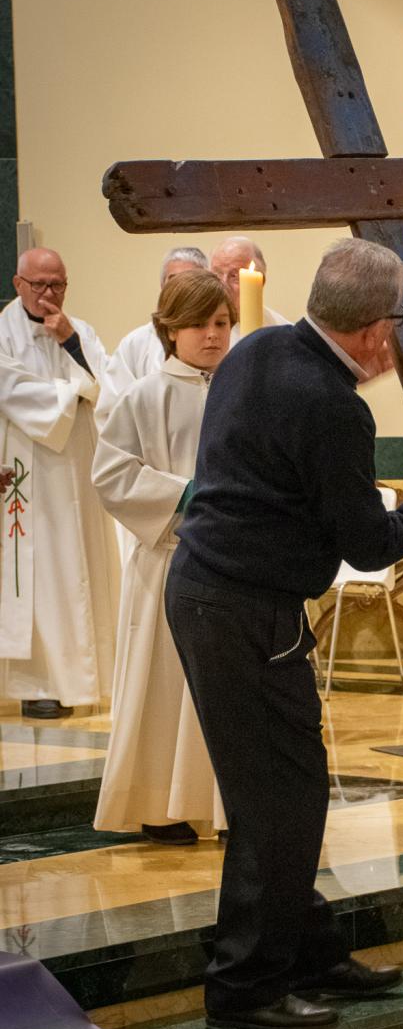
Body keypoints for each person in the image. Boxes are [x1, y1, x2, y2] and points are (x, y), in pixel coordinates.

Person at [165, 237, 403, 1029]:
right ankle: (245, 988)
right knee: (279, 802)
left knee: (282, 792)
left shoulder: (258, 347)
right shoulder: (335, 406)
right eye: (394, 325)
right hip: (246, 608)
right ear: (376, 331)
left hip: (209, 593)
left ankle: (308, 950)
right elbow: (369, 545)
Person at [92, 270, 235, 845]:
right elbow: (111, 473)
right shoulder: (145, 395)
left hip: (233, 565)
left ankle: (230, 807)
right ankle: (160, 807)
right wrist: (185, 494)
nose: (212, 334)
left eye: (222, 322)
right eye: (199, 323)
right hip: (169, 560)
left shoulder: (242, 390)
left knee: (226, 690)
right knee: (164, 689)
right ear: (169, 329)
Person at [0, 247, 119, 720]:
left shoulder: (80, 330)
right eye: (39, 285)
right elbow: (11, 390)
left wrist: (71, 343)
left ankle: (87, 678)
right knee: (37, 575)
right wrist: (74, 393)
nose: (49, 295)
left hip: (77, 468)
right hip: (26, 470)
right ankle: (40, 682)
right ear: (18, 284)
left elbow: (108, 385)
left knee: (79, 568)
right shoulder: (3, 333)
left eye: (58, 285)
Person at [108, 246, 209, 390]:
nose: (181, 289)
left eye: (190, 282)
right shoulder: (135, 344)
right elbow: (115, 405)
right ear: (162, 287)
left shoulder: (219, 339)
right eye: (174, 281)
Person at [209, 235, 290, 341]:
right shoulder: (194, 325)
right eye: (217, 274)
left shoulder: (281, 333)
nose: (223, 284)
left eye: (235, 276)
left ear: (260, 283)